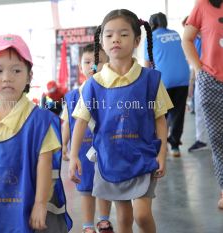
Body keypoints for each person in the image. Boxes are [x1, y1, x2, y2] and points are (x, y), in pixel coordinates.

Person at [68, 9, 173, 233]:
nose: (115, 39)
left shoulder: (150, 79)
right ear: (102, 43)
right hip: (110, 158)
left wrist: (162, 153)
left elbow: (160, 120)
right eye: (109, 35)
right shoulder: (93, 84)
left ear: (136, 40)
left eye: (123, 34)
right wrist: (73, 154)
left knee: (142, 215)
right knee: (124, 219)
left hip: (143, 156)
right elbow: (81, 121)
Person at [0, 34, 72, 232]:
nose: (7, 77)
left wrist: (40, 204)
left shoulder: (40, 121)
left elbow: (45, 164)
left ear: (29, 76)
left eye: (16, 70)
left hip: (29, 209)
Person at [61, 43, 114, 233]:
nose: (93, 66)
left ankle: (104, 221)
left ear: (108, 64)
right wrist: (64, 146)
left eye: (98, 62)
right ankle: (88, 225)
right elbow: (67, 122)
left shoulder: (113, 93)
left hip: (107, 149)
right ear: (80, 66)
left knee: (104, 186)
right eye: (88, 62)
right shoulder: (72, 97)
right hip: (82, 151)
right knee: (85, 189)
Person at [182, 0, 223, 209]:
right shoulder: (203, 5)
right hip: (212, 82)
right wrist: (198, 69)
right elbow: (187, 39)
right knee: (218, 141)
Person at [144, 12, 190, 157]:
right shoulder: (176, 34)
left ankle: (159, 146)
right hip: (183, 77)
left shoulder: (150, 38)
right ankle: (175, 146)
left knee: (160, 114)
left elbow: (147, 65)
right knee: (178, 113)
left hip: (163, 79)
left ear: (152, 24)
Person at [181, 16, 209, 152]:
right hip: (201, 78)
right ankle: (201, 140)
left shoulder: (207, 37)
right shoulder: (195, 41)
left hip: (211, 77)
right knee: (199, 109)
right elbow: (193, 64)